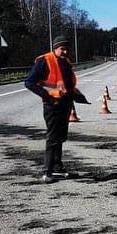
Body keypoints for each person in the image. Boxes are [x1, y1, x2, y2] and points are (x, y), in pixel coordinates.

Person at [24, 36, 82, 182]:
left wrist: (75, 96)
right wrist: (47, 96)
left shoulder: (65, 61)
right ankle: (47, 172)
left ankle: (57, 168)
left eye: (67, 49)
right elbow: (29, 82)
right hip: (53, 105)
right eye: (62, 48)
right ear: (55, 48)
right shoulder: (45, 60)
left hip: (65, 104)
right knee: (53, 138)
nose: (65, 51)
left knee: (60, 137)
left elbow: (66, 85)